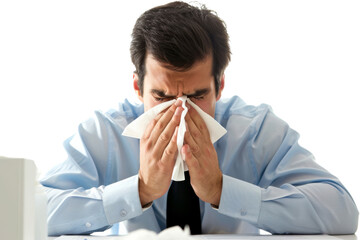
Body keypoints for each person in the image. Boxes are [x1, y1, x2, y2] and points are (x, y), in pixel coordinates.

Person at [41, 1, 358, 236]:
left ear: (220, 85)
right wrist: (139, 190)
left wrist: (222, 191)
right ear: (138, 87)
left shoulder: (255, 132)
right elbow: (31, 210)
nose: (180, 112)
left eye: (196, 96)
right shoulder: (106, 134)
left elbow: (342, 211)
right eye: (162, 97)